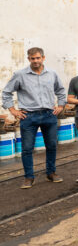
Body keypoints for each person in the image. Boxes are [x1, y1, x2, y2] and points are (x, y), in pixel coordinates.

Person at [2, 47, 67, 189]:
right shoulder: (20, 75)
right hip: (29, 116)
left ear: (43, 58)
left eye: (38, 58)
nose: (35, 61)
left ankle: (51, 173)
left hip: (49, 115)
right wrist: (13, 110)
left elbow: (61, 91)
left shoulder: (52, 74)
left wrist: (61, 106)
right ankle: (29, 177)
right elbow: (6, 92)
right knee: (27, 149)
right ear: (28, 59)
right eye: (32, 58)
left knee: (52, 146)